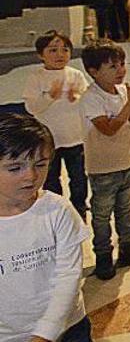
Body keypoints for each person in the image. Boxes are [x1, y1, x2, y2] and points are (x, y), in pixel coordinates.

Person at [0, 113, 93, 342]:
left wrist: (46, 332)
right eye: (15, 168)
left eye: (40, 164)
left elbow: (69, 275)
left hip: (69, 327)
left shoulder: (58, 210)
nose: (31, 176)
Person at [79, 39, 130, 280]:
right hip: (102, 168)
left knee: (124, 209)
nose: (121, 70)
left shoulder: (122, 91)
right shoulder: (91, 97)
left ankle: (128, 247)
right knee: (101, 216)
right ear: (93, 71)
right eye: (112, 66)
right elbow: (108, 128)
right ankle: (102, 255)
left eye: (122, 64)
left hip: (126, 162)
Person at [22, 30, 89, 217]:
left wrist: (76, 97)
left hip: (75, 137)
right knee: (51, 177)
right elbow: (32, 107)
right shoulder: (36, 77)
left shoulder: (75, 75)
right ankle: (56, 209)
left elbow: (86, 102)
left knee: (78, 177)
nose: (60, 54)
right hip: (48, 139)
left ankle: (80, 208)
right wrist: (51, 96)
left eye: (65, 50)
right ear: (40, 55)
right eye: (53, 50)